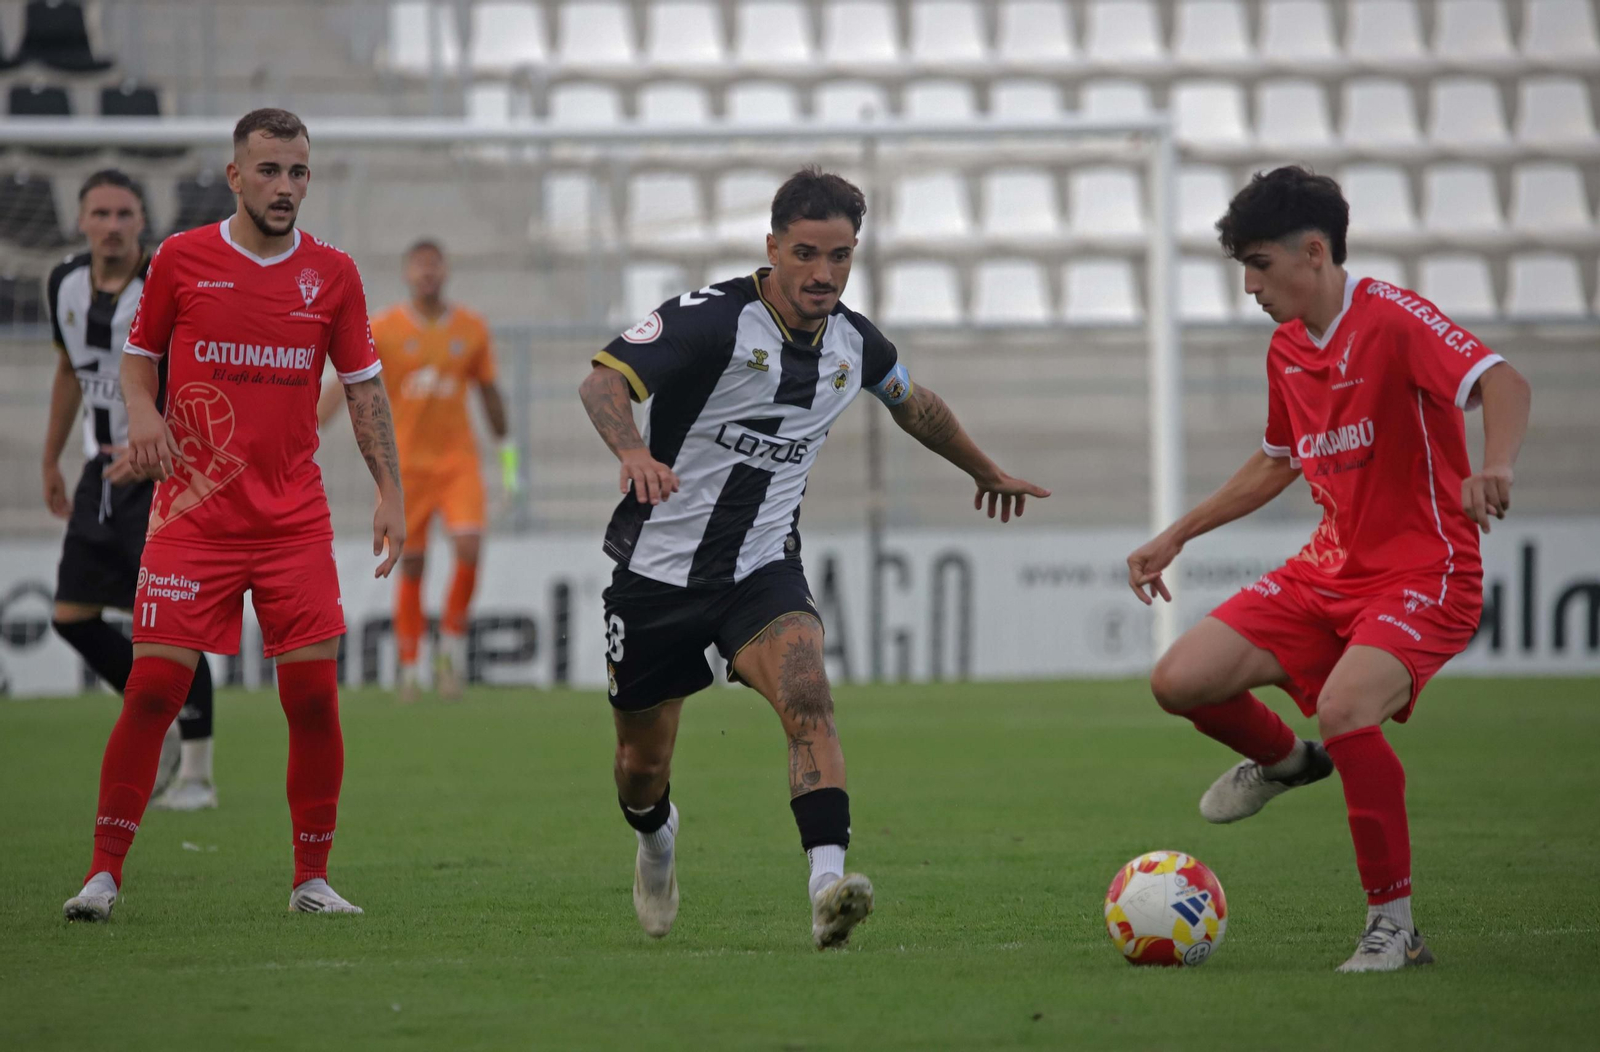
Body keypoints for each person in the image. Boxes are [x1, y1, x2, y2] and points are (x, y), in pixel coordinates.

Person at [579, 167, 1050, 950]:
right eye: (806, 253)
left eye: (841, 256)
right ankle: (657, 839)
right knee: (639, 766)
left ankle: (827, 886)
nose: (824, 274)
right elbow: (602, 384)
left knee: (809, 698)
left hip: (763, 570)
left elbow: (917, 405)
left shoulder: (855, 345)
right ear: (772, 248)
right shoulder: (712, 320)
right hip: (658, 573)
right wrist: (632, 451)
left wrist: (983, 468)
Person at [1125, 166, 1531, 972]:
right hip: (1327, 572)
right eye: (1242, 267)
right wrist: (1179, 534)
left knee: (1348, 708)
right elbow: (1277, 462)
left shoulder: (1391, 319)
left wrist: (1498, 465)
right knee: (1179, 679)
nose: (1249, 285)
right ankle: (1284, 760)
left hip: (1425, 571)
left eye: (1259, 265)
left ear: (1314, 252)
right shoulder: (1286, 349)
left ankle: (1395, 926)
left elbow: (1503, 381)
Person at [62, 108, 406, 922]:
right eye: (270, 171)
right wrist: (142, 414)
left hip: (293, 521)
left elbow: (362, 389)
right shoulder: (180, 261)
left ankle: (311, 881)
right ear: (235, 177)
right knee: (151, 689)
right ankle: (103, 873)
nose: (285, 187)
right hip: (194, 517)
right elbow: (137, 364)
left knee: (315, 699)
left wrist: (391, 489)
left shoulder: (335, 274)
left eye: (298, 172)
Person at [41, 169, 219, 811]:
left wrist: (167, 447)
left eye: (124, 214)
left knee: (169, 623)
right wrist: (51, 459)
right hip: (98, 472)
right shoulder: (62, 283)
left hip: (165, 475)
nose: (112, 226)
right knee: (71, 616)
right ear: (82, 220)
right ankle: (164, 718)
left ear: (142, 220)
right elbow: (69, 370)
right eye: (100, 213)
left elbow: (203, 375)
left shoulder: (166, 283)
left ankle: (197, 772)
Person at [318, 240, 512, 701]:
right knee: (412, 563)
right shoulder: (383, 328)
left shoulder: (471, 327)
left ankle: (450, 644)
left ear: (445, 272)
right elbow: (347, 382)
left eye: (434, 266)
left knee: (469, 545)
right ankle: (410, 664)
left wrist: (507, 445)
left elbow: (488, 391)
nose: (428, 275)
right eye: (420, 268)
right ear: (407, 274)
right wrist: (307, 429)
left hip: (458, 462)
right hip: (403, 468)